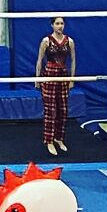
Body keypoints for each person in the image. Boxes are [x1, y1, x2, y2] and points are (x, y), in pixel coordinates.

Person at [35, 16, 76, 157]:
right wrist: (37, 79)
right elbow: (39, 60)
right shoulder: (46, 41)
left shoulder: (69, 41)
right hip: (49, 74)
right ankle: (49, 140)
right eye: (57, 23)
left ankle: (59, 138)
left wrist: (72, 79)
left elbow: (73, 60)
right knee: (50, 109)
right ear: (52, 25)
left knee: (63, 110)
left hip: (63, 74)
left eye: (62, 23)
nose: (60, 26)